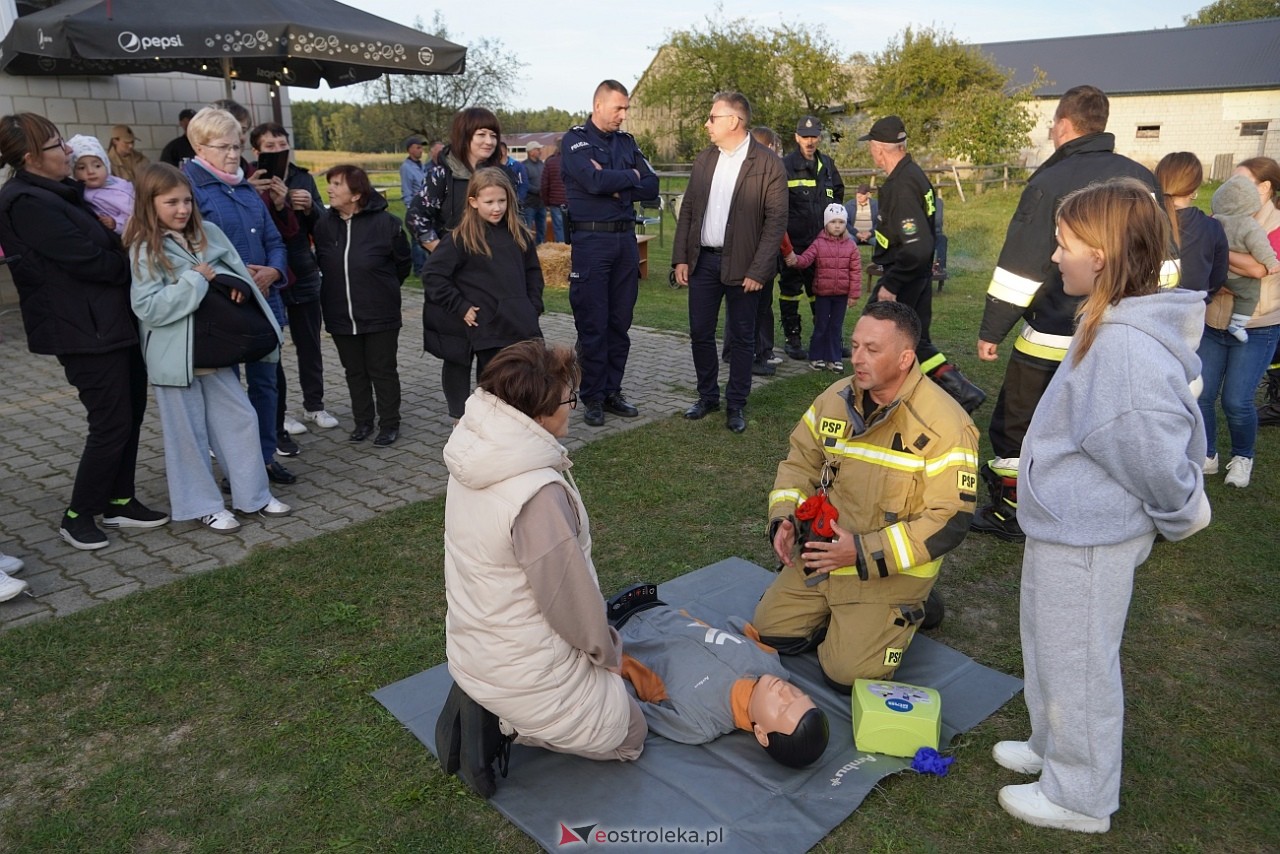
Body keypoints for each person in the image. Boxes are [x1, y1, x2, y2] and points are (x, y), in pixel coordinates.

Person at [994, 178, 1210, 834]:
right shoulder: (1103, 319)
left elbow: (1155, 458)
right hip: (1065, 528)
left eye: (1064, 245)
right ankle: (1053, 745)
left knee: (1080, 663)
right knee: (1048, 644)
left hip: (1089, 537)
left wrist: (1179, 515)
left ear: (1105, 254)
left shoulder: (1122, 349)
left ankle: (1081, 796)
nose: (1054, 257)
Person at [434, 340, 647, 799]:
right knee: (629, 735)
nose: (573, 407)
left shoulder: (475, 450)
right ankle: (506, 720)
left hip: (472, 641)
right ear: (539, 412)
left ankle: (484, 694)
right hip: (521, 666)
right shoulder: (536, 496)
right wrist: (608, 655)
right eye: (568, 399)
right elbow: (568, 605)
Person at [752, 301, 978, 691]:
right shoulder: (834, 398)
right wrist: (784, 518)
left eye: (872, 350)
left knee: (848, 674)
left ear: (906, 358)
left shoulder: (946, 423)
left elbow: (949, 518)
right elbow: (799, 462)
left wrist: (859, 551)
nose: (857, 358)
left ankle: (915, 606)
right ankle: (846, 616)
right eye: (854, 345)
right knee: (769, 633)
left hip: (887, 568)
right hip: (824, 555)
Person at [973, 86, 1159, 541]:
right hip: (1125, 331)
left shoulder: (1049, 181)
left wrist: (993, 326)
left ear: (1064, 125)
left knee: (1017, 423)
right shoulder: (1141, 179)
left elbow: (1022, 263)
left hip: (1053, 332)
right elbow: (1165, 263)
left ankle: (1012, 511)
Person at [0, 112, 169, 549]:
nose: (70, 151)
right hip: (82, 330)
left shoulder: (63, 193)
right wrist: (133, 259)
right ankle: (77, 515)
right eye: (59, 144)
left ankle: (119, 499)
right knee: (110, 422)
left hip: (112, 322)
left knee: (129, 413)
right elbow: (88, 262)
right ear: (32, 156)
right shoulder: (26, 202)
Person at [125, 163, 290, 532]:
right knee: (188, 437)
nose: (182, 209)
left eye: (186, 200)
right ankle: (203, 505)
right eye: (171, 202)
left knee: (240, 420)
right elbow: (149, 308)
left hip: (216, 350)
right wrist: (196, 282)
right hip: (175, 360)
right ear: (149, 204)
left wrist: (235, 284)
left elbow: (236, 272)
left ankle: (254, 496)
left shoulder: (208, 233)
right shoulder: (144, 248)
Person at [182, 107, 295, 486]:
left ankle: (264, 458)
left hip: (265, 302)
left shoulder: (247, 188)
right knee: (227, 394)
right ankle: (237, 466)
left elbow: (274, 240)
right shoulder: (189, 190)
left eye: (237, 146)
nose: (234, 155)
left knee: (266, 385)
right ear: (198, 145)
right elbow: (190, 251)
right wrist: (235, 278)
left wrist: (274, 271)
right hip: (224, 308)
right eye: (224, 147)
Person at [674, 91, 787, 435]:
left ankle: (736, 403)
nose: (707, 124)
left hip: (744, 266)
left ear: (734, 121)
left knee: (741, 338)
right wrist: (680, 257)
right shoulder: (705, 159)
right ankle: (708, 396)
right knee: (700, 333)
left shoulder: (768, 163)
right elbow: (689, 210)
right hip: (704, 262)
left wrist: (759, 269)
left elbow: (776, 221)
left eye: (712, 117)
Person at [861, 115, 985, 414]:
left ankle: (878, 401)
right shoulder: (913, 174)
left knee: (874, 337)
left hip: (902, 275)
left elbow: (918, 244)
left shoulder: (902, 185)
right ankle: (954, 391)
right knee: (917, 341)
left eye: (871, 148)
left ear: (879, 149)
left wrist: (891, 284)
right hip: (916, 274)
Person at [612, 598, 829, 768]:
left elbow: (631, 707)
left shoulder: (699, 723)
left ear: (762, 734)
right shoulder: (771, 665)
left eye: (783, 708)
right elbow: (736, 627)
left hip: (615, 635)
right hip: (661, 608)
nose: (785, 692)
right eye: (798, 694)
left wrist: (612, 661)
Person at [561, 79, 659, 427]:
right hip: (592, 242)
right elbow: (592, 182)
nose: (623, 115)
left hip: (624, 242)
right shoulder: (575, 140)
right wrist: (628, 179)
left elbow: (652, 184)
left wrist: (621, 181)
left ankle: (613, 390)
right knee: (593, 323)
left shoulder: (626, 142)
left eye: (626, 108)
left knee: (619, 322)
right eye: (618, 108)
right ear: (598, 105)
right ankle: (592, 396)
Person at [422, 168, 545, 421]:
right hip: (484, 326)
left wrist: (533, 305)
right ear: (474, 202)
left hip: (517, 322)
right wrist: (460, 305)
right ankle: (466, 423)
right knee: (486, 381)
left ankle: (512, 423)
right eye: (489, 202)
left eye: (502, 200)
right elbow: (433, 275)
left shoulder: (519, 234)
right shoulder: (460, 238)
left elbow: (533, 273)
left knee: (515, 379)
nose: (496, 208)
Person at [249, 123, 341, 436]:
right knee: (271, 345)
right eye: (269, 146)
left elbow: (324, 225)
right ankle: (280, 412)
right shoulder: (249, 180)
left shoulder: (303, 178)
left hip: (302, 268)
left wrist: (309, 207)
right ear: (256, 152)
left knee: (309, 342)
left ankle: (314, 404)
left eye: (280, 144)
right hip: (265, 271)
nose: (276, 151)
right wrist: (254, 193)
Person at [313, 166, 411, 446]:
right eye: (329, 183)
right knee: (355, 372)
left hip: (380, 313)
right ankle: (363, 422)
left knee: (382, 370)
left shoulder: (387, 224)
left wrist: (383, 290)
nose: (330, 189)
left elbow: (402, 264)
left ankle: (390, 423)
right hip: (340, 314)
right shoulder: (324, 225)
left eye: (336, 184)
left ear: (356, 194)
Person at [1198, 156, 1280, 486]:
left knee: (1236, 400)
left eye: (1240, 181)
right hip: (1213, 321)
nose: (1231, 188)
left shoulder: (1276, 226)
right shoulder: (1220, 218)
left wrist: (1215, 248)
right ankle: (1207, 454)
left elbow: (1262, 268)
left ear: (1264, 188)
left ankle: (1242, 457)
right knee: (1201, 394)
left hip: (1257, 325)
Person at [779, 116, 844, 362]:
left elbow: (837, 193)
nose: (810, 141)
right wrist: (786, 247)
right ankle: (792, 338)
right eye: (805, 136)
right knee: (790, 292)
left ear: (819, 137)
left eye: (814, 136)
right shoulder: (785, 166)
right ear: (796, 137)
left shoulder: (827, 164)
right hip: (794, 245)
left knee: (823, 292)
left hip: (823, 245)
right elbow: (778, 207)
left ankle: (828, 339)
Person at [406, 107, 510, 256]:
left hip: (496, 263)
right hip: (458, 269)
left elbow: (515, 218)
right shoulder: (441, 176)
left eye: (493, 136)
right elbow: (415, 217)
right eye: (481, 134)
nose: (489, 141)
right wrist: (442, 251)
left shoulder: (503, 175)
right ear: (464, 136)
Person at [786, 203, 862, 372]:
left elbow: (856, 272)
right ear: (826, 223)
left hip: (841, 296)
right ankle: (816, 357)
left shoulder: (851, 246)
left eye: (841, 222)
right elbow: (806, 259)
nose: (837, 225)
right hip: (823, 294)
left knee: (835, 327)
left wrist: (854, 295)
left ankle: (834, 359)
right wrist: (795, 260)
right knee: (821, 326)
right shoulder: (818, 244)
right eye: (833, 222)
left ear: (845, 224)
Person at [1211, 175, 1280, 342]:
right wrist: (1271, 262)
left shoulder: (1215, 219)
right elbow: (1260, 248)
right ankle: (1238, 323)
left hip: (1219, 273)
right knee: (1250, 295)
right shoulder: (1249, 225)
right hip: (1239, 279)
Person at [1155, 152, 1228, 296]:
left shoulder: (1139, 221)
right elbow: (1218, 278)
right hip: (1192, 310)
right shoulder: (1211, 227)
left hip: (1144, 309)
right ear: (1194, 189)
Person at [67, 134, 134, 235]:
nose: (90, 171)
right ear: (73, 173)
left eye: (97, 166)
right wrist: (116, 223)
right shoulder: (90, 197)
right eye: (81, 168)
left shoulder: (117, 182)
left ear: (106, 165)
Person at [399, 134, 429, 274]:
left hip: (426, 206)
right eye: (417, 147)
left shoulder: (422, 166)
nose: (421, 150)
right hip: (416, 207)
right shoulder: (406, 167)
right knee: (417, 240)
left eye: (421, 147)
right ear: (410, 149)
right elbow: (407, 190)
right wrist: (412, 208)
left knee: (426, 236)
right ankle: (419, 268)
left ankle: (426, 265)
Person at [540, 139, 568, 243]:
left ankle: (562, 251)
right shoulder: (575, 161)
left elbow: (544, 184)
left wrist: (546, 202)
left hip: (556, 202)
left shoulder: (550, 162)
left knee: (559, 228)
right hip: (573, 201)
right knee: (573, 227)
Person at [521, 140, 547, 244]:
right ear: (531, 152)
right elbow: (524, 184)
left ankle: (541, 246)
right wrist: (539, 191)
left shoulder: (541, 164)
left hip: (541, 203)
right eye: (538, 149)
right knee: (528, 228)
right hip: (529, 203)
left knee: (542, 228)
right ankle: (529, 248)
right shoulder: (523, 166)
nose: (540, 151)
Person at [499, 141, 528, 208]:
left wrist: (518, 200)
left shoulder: (517, 166)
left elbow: (523, 184)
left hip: (515, 203)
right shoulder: (493, 167)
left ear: (504, 151)